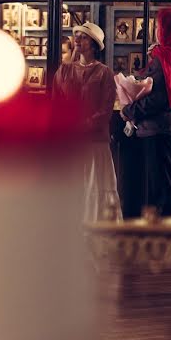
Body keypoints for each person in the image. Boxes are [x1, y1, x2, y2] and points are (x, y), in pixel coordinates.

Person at [121, 7, 171, 216]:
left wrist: (129, 110)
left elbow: (157, 98)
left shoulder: (165, 57)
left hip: (162, 130)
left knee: (163, 191)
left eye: (158, 26)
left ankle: (167, 240)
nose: (155, 30)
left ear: (167, 29)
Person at [52, 22, 120, 221]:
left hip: (94, 141)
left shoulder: (104, 73)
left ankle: (98, 226)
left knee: (95, 184)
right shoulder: (63, 71)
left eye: (83, 37)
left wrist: (85, 125)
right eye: (77, 36)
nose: (78, 40)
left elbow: (106, 108)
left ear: (93, 43)